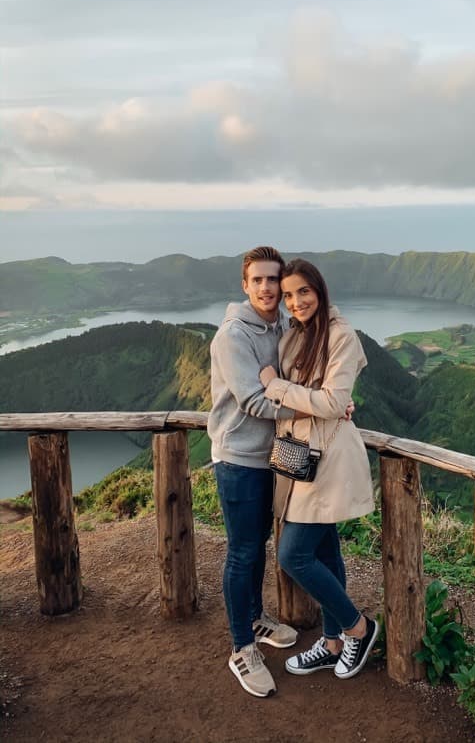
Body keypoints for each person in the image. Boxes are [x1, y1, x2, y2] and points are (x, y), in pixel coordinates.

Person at [259, 257, 379, 681]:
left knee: (293, 554)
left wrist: (276, 386)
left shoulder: (341, 336)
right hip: (300, 456)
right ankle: (331, 644)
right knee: (326, 552)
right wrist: (320, 400)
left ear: (320, 289)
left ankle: (358, 629)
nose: (295, 302)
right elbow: (324, 401)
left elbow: (330, 402)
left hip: (328, 458)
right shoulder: (294, 337)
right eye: (288, 295)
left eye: (303, 292)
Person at [207, 246, 298, 699]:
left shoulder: (281, 325)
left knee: (257, 543)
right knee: (242, 552)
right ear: (245, 285)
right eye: (257, 280)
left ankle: (256, 619)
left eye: (272, 281)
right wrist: (313, 409)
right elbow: (254, 402)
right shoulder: (232, 335)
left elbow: (285, 383)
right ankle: (242, 646)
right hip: (239, 459)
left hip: (271, 458)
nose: (266, 288)